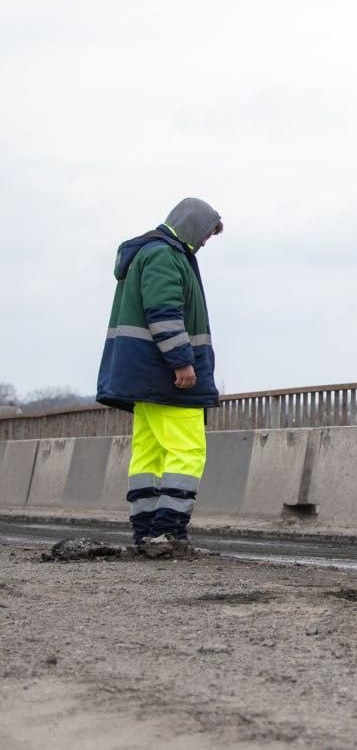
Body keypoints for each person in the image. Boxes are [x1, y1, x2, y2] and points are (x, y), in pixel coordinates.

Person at [97, 198, 223, 558]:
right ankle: (167, 534)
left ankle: (145, 534)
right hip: (168, 377)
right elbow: (164, 312)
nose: (205, 243)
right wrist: (182, 362)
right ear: (193, 226)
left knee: (149, 456)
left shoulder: (147, 254)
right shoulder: (166, 256)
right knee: (187, 451)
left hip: (146, 377)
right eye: (206, 235)